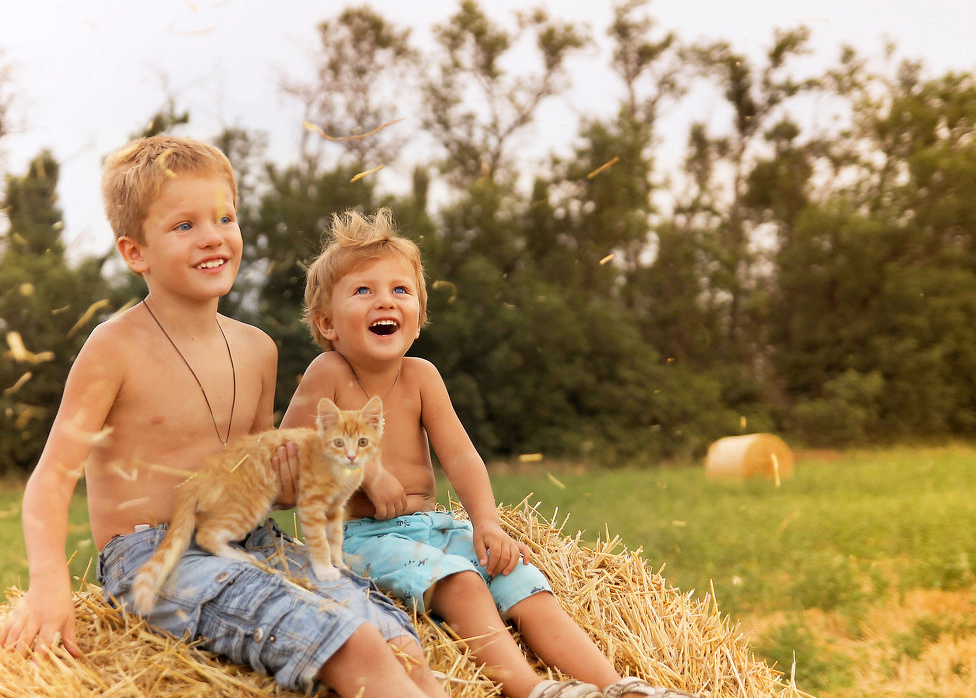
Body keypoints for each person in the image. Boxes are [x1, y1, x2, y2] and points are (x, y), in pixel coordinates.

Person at [0, 138, 446, 698]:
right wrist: (48, 586)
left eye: (224, 217)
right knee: (349, 644)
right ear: (136, 252)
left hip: (252, 537)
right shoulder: (114, 347)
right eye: (184, 225)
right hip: (155, 553)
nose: (212, 235)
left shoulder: (258, 349)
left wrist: (295, 479)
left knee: (400, 643)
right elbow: (52, 477)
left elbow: (267, 481)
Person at [279, 207, 693, 698]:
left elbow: (461, 457)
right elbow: (290, 450)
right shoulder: (327, 371)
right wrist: (365, 472)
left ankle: (619, 686)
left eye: (400, 290)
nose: (384, 301)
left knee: (522, 580)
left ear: (416, 319)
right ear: (327, 322)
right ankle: (530, 688)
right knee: (462, 582)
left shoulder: (421, 376)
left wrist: (486, 522)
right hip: (357, 539)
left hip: (429, 527)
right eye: (363, 290)